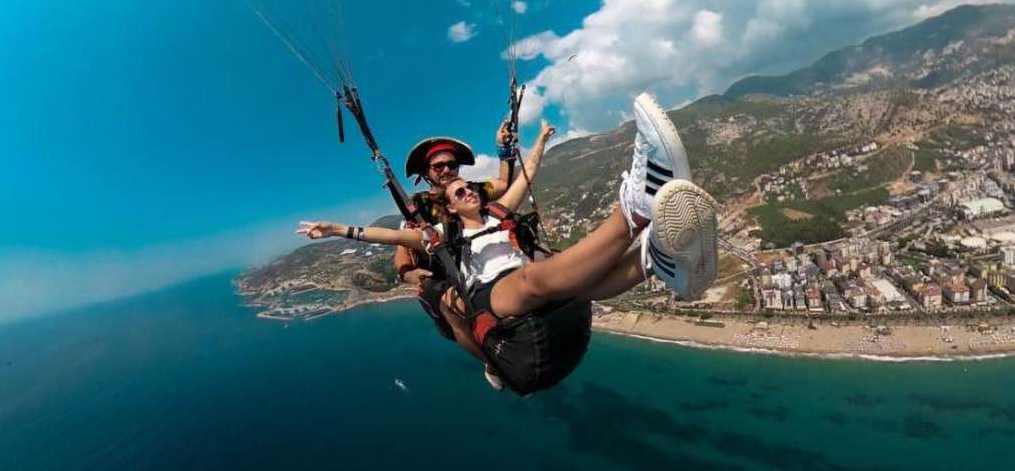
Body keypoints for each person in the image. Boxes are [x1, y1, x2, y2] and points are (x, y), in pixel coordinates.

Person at [298, 93, 719, 394]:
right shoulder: (430, 221)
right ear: (429, 178)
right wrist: (341, 231)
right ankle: (636, 211)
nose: (453, 178)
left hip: (512, 270)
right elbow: (396, 240)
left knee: (571, 284)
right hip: (475, 285)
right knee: (530, 282)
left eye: (456, 171)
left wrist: (523, 145)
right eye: (442, 171)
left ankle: (657, 261)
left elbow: (513, 182)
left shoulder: (491, 204)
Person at [393, 123, 518, 340]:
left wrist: (502, 148)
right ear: (426, 173)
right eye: (438, 166)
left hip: (477, 265)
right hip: (444, 277)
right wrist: (407, 273)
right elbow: (403, 247)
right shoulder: (419, 206)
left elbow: (502, 184)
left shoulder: (470, 190)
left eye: (452, 165)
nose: (447, 170)